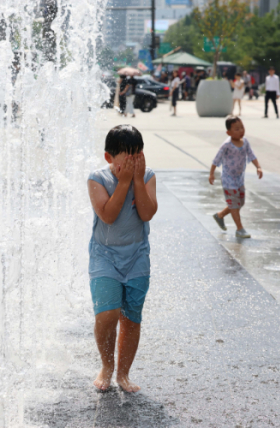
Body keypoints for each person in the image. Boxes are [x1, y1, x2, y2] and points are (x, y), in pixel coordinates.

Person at [87, 125, 158, 393]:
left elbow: (147, 213)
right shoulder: (97, 179)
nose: (133, 162)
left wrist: (137, 180)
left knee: (131, 317)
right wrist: (125, 182)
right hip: (105, 257)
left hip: (137, 256)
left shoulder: (148, 176)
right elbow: (108, 215)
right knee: (107, 314)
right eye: (126, 158)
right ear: (109, 157)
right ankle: (107, 366)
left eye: (137, 155)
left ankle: (123, 373)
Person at [210, 117, 262, 239]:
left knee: (240, 202)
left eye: (242, 128)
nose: (241, 131)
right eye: (237, 129)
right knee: (234, 203)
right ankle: (240, 229)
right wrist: (212, 173)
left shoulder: (245, 142)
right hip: (228, 180)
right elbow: (216, 159)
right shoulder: (227, 145)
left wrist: (258, 167)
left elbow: (251, 155)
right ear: (228, 132)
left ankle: (220, 215)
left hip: (239, 179)